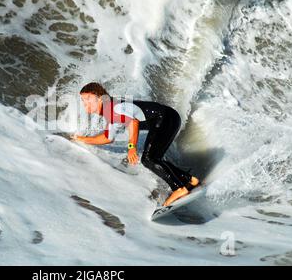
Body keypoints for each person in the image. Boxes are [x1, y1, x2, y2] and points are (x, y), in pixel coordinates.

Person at [72, 82, 200, 206]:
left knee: (148, 159)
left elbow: (132, 122)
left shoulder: (113, 108)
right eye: (83, 100)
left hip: (166, 118)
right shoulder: (110, 111)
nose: (85, 103)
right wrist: (81, 139)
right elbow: (107, 138)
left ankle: (179, 188)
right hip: (169, 117)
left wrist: (131, 147)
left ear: (100, 98)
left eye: (88, 98)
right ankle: (189, 180)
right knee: (153, 158)